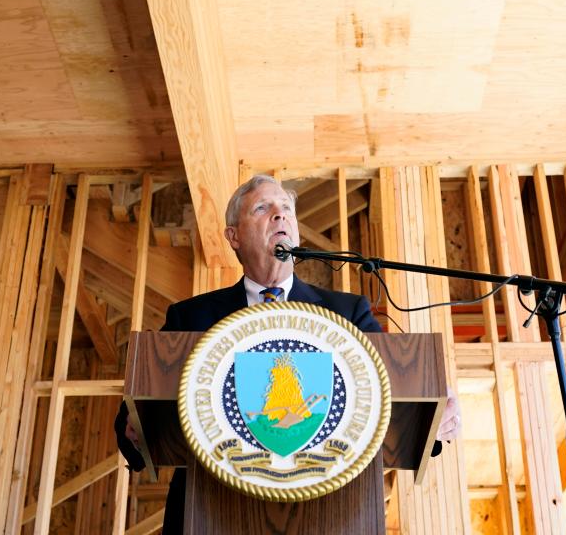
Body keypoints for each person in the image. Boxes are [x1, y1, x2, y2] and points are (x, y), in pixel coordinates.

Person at [115, 175, 461, 533]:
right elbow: (133, 416)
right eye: (263, 208)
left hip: (330, 514)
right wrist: (137, 432)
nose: (280, 215)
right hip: (211, 513)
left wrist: (433, 418)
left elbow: (392, 396)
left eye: (287, 209)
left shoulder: (348, 313)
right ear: (233, 236)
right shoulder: (190, 317)